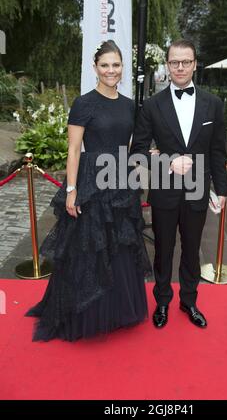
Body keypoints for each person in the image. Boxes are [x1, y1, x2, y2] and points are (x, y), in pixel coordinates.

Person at [26, 40, 151, 341]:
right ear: (95, 67)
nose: (111, 70)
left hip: (121, 181)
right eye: (105, 65)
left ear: (123, 69)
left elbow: (133, 145)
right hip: (92, 183)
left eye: (116, 65)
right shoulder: (84, 103)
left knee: (120, 245)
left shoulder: (128, 105)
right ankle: (86, 314)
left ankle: (119, 310)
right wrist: (71, 190)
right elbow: (73, 150)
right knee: (90, 248)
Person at [131, 39, 227, 329]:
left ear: (195, 64)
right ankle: (162, 301)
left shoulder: (213, 104)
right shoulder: (151, 105)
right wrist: (167, 162)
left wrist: (221, 190)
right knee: (163, 248)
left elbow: (217, 152)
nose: (181, 67)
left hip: (199, 187)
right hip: (164, 190)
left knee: (192, 249)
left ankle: (189, 301)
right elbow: (137, 152)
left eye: (186, 61)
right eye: (175, 62)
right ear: (167, 65)